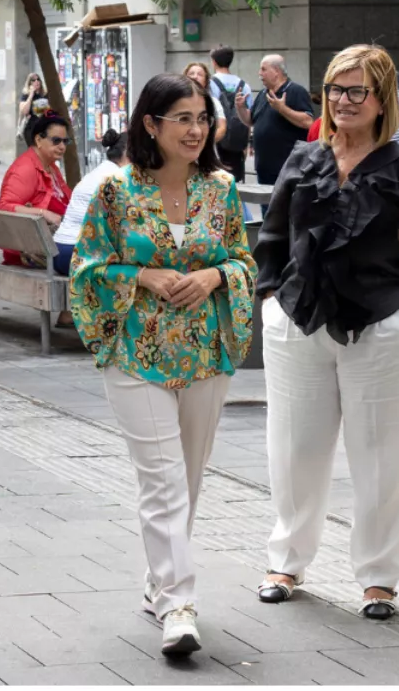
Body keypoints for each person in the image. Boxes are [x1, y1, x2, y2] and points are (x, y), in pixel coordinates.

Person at [68, 73, 256, 657]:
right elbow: (85, 271)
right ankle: (178, 604)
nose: (196, 130)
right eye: (183, 119)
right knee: (163, 479)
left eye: (203, 119)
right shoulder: (115, 192)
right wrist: (142, 275)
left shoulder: (221, 190)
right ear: (151, 124)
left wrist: (214, 275)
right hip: (136, 352)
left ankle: (158, 582)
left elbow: (244, 262)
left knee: (188, 479)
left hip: (206, 353)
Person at [253, 45, 399, 620]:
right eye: (334, 89)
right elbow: (273, 234)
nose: (343, 101)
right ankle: (286, 562)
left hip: (381, 322)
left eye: (356, 91)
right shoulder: (305, 157)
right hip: (298, 320)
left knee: (385, 456)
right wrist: (270, 297)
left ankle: (379, 578)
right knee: (294, 448)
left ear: (382, 99)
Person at [0, 110, 72, 268]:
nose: (62, 146)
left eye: (65, 141)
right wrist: (43, 213)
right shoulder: (25, 168)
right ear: (38, 140)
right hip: (32, 251)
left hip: (51, 244)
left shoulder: (50, 166)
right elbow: (5, 207)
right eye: (56, 141)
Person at [52, 129, 128, 276]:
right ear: (127, 154)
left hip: (59, 251)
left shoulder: (99, 171)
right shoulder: (117, 178)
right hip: (78, 254)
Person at [236, 54, 314, 185]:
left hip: (288, 170)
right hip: (264, 168)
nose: (259, 73)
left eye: (263, 69)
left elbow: (308, 122)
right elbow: (250, 120)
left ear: (276, 71)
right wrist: (241, 108)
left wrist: (282, 109)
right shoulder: (263, 94)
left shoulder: (296, 91)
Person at [306, 69, 399, 152]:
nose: (344, 101)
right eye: (336, 90)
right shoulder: (313, 147)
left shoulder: (396, 79)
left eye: (357, 92)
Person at [208, 46, 253, 184]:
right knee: (234, 181)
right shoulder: (244, 85)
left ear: (214, 62)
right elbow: (249, 117)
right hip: (237, 141)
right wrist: (246, 144)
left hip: (217, 142)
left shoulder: (210, 83)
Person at [183, 62, 227, 143]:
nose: (195, 77)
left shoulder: (213, 102)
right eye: (191, 74)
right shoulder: (176, 100)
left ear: (206, 81)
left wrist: (204, 142)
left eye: (200, 74)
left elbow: (222, 128)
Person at [18, 73, 49, 143]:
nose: (36, 81)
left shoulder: (45, 94)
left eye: (38, 79)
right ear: (29, 83)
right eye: (33, 80)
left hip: (43, 128)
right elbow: (24, 111)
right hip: (31, 128)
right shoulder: (26, 95)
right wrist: (31, 94)